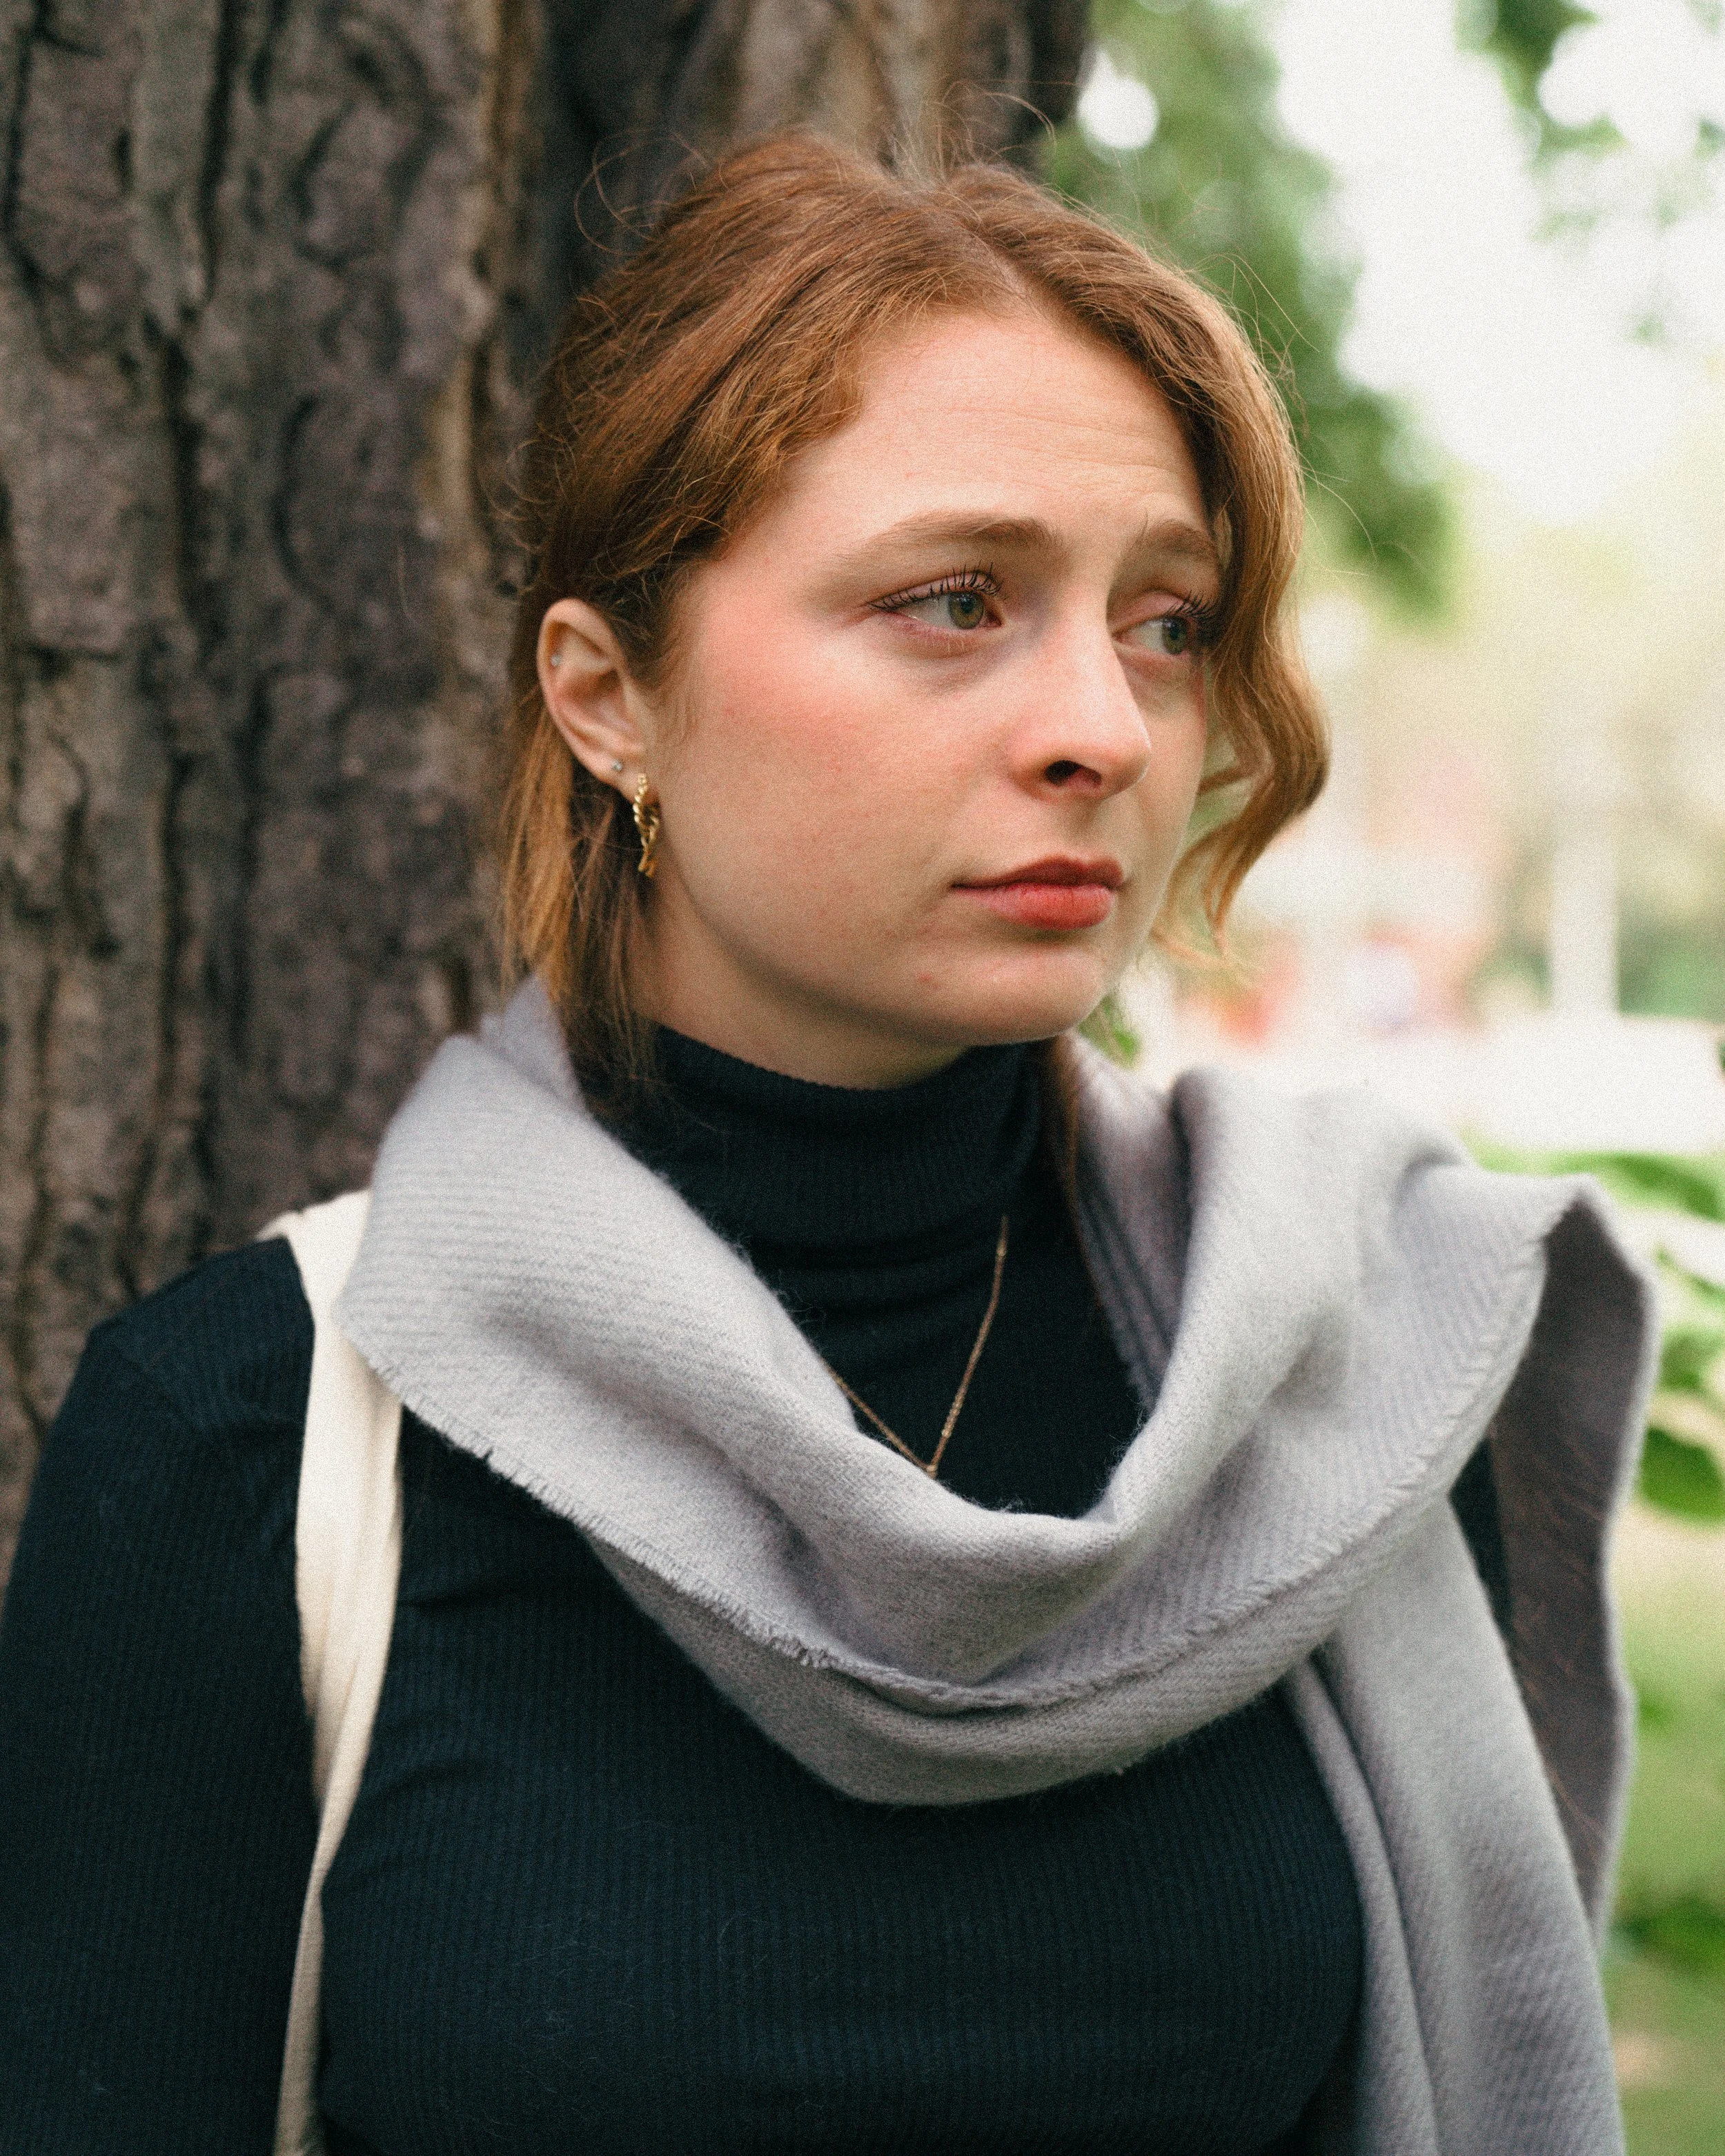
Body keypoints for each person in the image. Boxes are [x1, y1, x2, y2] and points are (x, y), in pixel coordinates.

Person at [0, 135, 1654, 2155]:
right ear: (610, 697)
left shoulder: (1343, 1388)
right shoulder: (258, 1441)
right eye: (955, 600)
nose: (1105, 727)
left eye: (1167, 618)